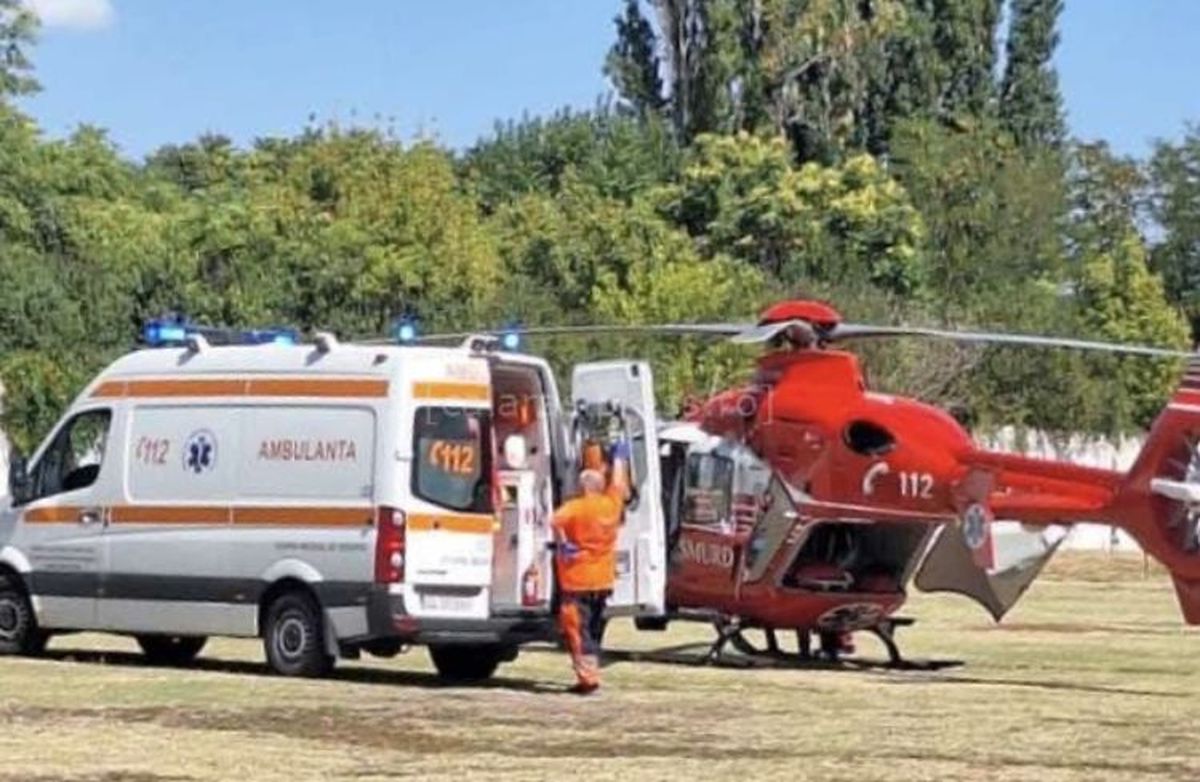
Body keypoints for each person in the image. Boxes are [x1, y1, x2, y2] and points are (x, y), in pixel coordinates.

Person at [552, 439, 630, 695]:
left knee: (578, 630)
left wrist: (564, 544)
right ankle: (590, 673)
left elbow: (553, 520)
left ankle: (587, 679)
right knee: (594, 630)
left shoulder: (576, 507)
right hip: (603, 581)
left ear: (583, 486)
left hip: (577, 579)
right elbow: (618, 484)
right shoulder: (611, 505)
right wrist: (620, 458)